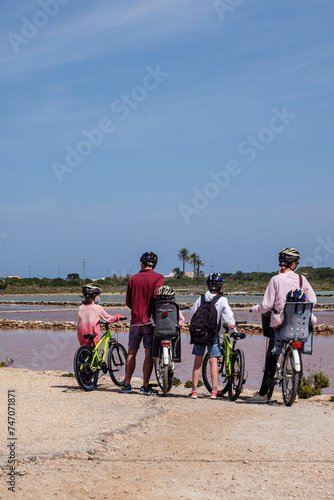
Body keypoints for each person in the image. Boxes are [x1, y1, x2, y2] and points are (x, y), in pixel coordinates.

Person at [247, 247, 317, 403]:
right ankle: (295, 393)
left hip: (280, 324)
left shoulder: (275, 280)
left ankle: (264, 393)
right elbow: (313, 301)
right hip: (299, 323)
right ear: (293, 264)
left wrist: (254, 309)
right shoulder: (301, 280)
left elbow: (266, 305)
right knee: (297, 352)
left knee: (272, 356)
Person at [189, 273, 238, 400]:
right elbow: (229, 318)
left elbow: (193, 314)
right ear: (221, 286)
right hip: (213, 334)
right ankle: (214, 391)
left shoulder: (201, 298)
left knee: (197, 362)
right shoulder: (222, 300)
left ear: (208, 285)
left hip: (199, 332)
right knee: (213, 361)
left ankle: (194, 391)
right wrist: (234, 330)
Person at [122, 251, 165, 395]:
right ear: (155, 265)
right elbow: (156, 296)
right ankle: (145, 385)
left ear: (141, 263)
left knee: (131, 352)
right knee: (148, 354)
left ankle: (127, 384)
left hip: (135, 321)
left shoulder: (133, 279)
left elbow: (128, 301)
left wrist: (136, 308)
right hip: (149, 321)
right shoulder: (159, 277)